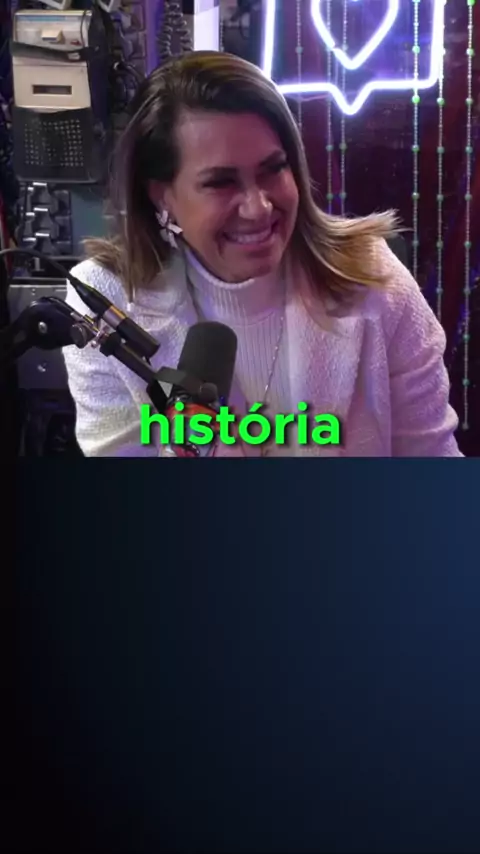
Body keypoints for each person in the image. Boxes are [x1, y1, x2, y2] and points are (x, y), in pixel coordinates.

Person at [62, 50, 462, 458]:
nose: (259, 207)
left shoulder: (374, 279)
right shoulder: (103, 303)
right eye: (221, 182)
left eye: (273, 169)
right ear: (161, 195)